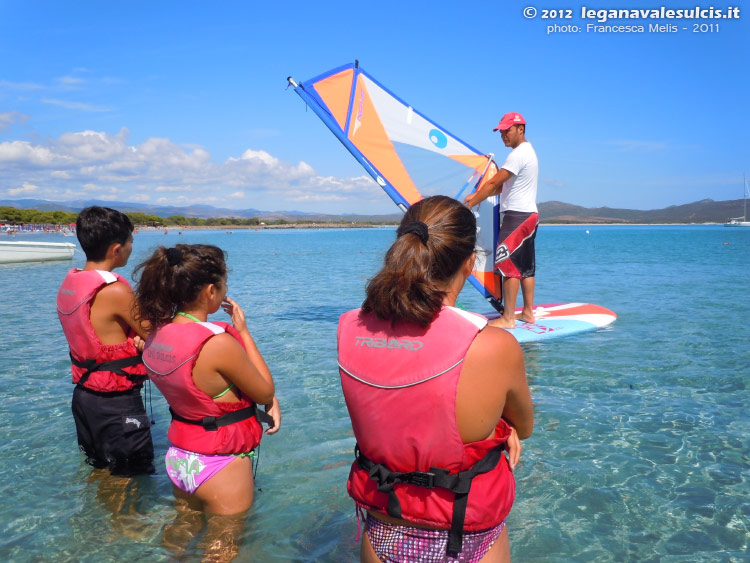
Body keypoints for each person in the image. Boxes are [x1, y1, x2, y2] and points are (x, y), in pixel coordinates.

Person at [337, 196, 534, 563]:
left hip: (384, 530)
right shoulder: (492, 345)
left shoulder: (351, 327)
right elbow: (525, 424)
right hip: (467, 535)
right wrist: (504, 429)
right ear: (470, 263)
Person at [134, 244, 281, 557]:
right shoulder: (217, 343)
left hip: (180, 457)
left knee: (182, 528)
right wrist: (244, 331)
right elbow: (265, 392)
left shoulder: (156, 335)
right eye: (225, 284)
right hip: (220, 465)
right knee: (223, 546)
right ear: (211, 291)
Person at [56, 206, 155, 477]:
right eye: (131, 241)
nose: (132, 247)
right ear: (116, 249)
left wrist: (134, 335)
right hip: (116, 403)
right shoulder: (115, 290)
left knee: (101, 473)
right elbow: (158, 335)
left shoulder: (72, 283)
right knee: (130, 479)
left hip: (85, 399)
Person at [464, 112, 539, 329]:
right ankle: (526, 313)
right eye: (501, 132)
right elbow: (499, 187)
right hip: (529, 215)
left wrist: (470, 203)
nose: (503, 135)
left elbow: (493, 183)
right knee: (525, 267)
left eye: (508, 130)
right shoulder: (528, 151)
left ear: (520, 129)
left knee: (508, 265)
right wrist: (477, 197)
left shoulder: (518, 154)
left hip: (517, 216)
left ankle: (508, 318)